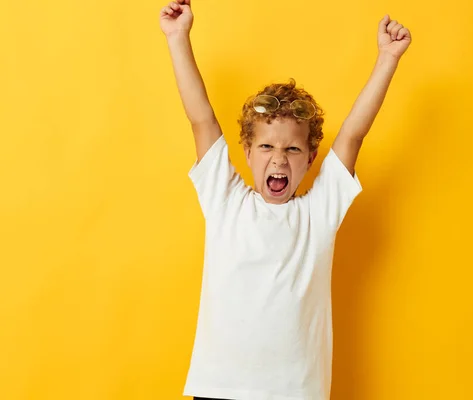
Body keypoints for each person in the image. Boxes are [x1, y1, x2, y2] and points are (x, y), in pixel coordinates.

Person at [159, 1, 412, 398]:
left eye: (292, 150)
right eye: (266, 147)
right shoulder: (225, 200)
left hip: (296, 392)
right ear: (246, 152)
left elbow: (351, 136)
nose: (278, 158)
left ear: (311, 158)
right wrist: (177, 37)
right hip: (221, 387)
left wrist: (387, 59)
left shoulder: (319, 212)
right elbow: (201, 118)